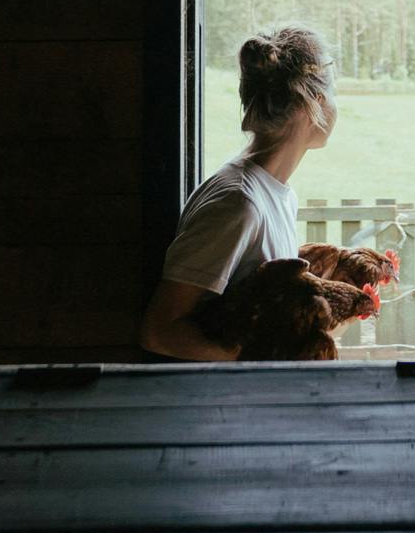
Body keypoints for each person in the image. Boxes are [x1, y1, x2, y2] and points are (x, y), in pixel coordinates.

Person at [138, 25, 338, 361]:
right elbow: (159, 332)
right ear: (314, 103)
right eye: (335, 92)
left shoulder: (278, 195)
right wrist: (264, 356)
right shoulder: (239, 204)